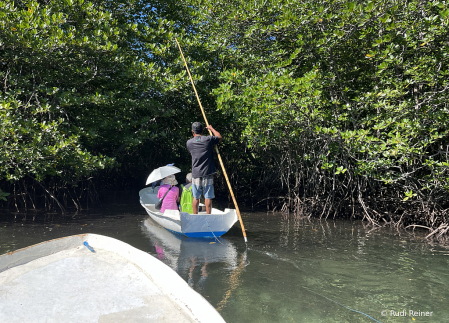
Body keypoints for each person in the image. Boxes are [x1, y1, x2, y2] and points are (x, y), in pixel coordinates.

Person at [186, 122, 222, 214]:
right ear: (202, 131)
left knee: (196, 197)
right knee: (208, 196)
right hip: (208, 172)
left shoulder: (189, 142)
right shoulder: (208, 139)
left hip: (196, 173)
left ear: (192, 132)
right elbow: (219, 137)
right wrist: (211, 128)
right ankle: (208, 215)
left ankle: (195, 215)